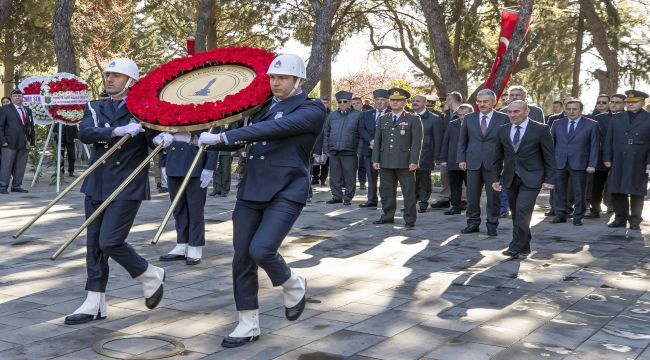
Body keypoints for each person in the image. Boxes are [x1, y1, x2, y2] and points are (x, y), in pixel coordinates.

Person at [197, 54, 326, 347]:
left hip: (286, 190)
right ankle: (247, 323)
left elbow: (271, 130)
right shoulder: (263, 107)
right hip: (251, 189)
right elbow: (244, 137)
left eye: (282, 78)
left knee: (262, 249)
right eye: (272, 78)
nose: (275, 83)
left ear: (299, 81)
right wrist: (200, 135)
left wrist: (224, 140)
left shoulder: (311, 109)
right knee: (242, 257)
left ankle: (293, 283)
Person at [64, 58, 165, 325]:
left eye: (117, 76)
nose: (110, 79)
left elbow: (154, 136)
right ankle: (94, 301)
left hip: (127, 183)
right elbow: (85, 133)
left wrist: (162, 138)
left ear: (131, 81)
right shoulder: (94, 106)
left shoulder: (142, 109)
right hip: (97, 181)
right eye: (108, 74)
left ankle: (149, 274)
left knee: (109, 241)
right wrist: (116, 131)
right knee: (93, 244)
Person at [492, 100, 555, 258]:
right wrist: (495, 178)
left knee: (522, 211)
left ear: (527, 111)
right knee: (516, 213)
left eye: (516, 112)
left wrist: (550, 179)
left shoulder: (541, 129)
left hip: (532, 177)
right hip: (510, 177)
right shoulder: (502, 130)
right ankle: (525, 246)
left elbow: (549, 156)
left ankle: (515, 246)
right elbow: (497, 157)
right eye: (510, 112)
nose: (512, 115)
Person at [155, 131, 216, 265]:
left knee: (195, 209)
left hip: (195, 162)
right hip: (173, 161)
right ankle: (182, 243)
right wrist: (163, 163)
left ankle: (195, 246)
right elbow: (164, 136)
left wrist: (209, 167)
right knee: (178, 208)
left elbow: (213, 137)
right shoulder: (172, 111)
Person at [457, 89, 509, 236]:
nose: (482, 104)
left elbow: (507, 143)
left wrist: (507, 163)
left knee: (493, 196)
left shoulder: (503, 118)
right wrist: (461, 159)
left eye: (485, 101)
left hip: (494, 163)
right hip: (472, 162)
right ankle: (472, 223)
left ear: (494, 102)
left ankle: (492, 224)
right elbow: (462, 141)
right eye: (479, 101)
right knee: (472, 196)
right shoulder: (469, 118)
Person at [372, 88, 423, 228]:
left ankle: (409, 219)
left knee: (408, 192)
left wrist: (414, 161)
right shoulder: (383, 118)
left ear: (404, 102)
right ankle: (387, 216)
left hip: (405, 163)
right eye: (393, 100)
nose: (395, 103)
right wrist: (375, 159)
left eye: (398, 100)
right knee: (386, 191)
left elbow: (416, 142)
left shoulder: (413, 118)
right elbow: (378, 140)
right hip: (386, 161)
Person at [603, 90, 650, 230]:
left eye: (634, 102)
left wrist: (649, 162)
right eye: (628, 102)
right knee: (617, 189)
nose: (630, 104)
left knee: (637, 190)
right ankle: (620, 218)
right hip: (619, 159)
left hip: (639, 160)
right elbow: (608, 140)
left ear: (643, 102)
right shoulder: (617, 118)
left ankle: (635, 220)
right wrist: (607, 157)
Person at [549, 100, 599, 226]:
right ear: (565, 110)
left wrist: (592, 164)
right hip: (559, 162)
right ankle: (560, 214)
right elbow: (550, 145)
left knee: (579, 192)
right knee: (559, 191)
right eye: (569, 109)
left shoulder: (591, 124)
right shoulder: (557, 123)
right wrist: (550, 163)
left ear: (581, 110)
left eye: (575, 109)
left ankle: (578, 216)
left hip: (580, 163)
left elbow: (594, 146)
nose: (571, 111)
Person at [586, 93, 626, 218]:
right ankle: (595, 210)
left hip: (620, 157)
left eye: (617, 102)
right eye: (612, 102)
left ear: (624, 104)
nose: (613, 104)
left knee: (618, 185)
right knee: (597, 185)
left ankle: (617, 209)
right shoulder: (599, 118)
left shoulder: (628, 118)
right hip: (601, 156)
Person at [323, 90, 363, 206]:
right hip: (334, 150)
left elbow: (361, 135)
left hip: (350, 151)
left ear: (350, 102)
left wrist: (359, 151)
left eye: (345, 101)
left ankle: (348, 197)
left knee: (350, 176)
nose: (342, 103)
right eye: (339, 101)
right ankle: (336, 196)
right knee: (334, 176)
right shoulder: (332, 115)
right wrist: (326, 149)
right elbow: (326, 133)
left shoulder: (358, 115)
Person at [411, 95, 443, 212]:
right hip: (408, 154)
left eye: (418, 101)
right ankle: (410, 203)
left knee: (424, 180)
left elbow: (438, 139)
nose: (415, 103)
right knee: (410, 180)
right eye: (413, 101)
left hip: (426, 154)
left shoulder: (434, 119)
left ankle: (423, 203)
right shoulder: (407, 116)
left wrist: (437, 156)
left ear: (425, 103)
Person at [0, 89, 35, 194]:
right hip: (9, 142)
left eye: (20, 96)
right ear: (11, 98)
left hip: (24, 142)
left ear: (22, 97)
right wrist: (2, 141)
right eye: (15, 96)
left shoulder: (27, 110)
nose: (18, 97)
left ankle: (16, 185)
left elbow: (31, 127)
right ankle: (3, 186)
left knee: (21, 165)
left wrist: (32, 141)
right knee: (6, 165)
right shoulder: (5, 109)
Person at [431, 91, 462, 209]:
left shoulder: (464, 112)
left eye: (447, 100)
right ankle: (445, 197)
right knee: (445, 174)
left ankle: (462, 199)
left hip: (459, 149)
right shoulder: (446, 114)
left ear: (451, 101)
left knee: (460, 176)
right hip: (447, 149)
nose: (446, 102)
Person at [358, 89, 389, 208]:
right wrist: (371, 141)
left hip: (386, 151)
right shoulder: (366, 114)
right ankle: (371, 200)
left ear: (387, 101)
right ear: (374, 101)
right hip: (369, 149)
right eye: (377, 100)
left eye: (382, 100)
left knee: (386, 177)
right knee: (371, 177)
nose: (380, 102)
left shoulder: (391, 114)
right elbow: (361, 129)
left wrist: (380, 143)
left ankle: (386, 200)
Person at [439, 104, 472, 215]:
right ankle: (455, 207)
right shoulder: (452, 124)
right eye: (460, 115)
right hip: (453, 160)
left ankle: (472, 208)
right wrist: (443, 158)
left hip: (470, 161)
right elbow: (445, 142)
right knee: (454, 186)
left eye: (465, 114)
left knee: (471, 186)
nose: (462, 117)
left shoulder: (475, 125)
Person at [311, 97, 331, 186]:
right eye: (322, 102)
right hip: (316, 139)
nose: (324, 104)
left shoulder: (331, 114)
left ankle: (323, 178)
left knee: (325, 163)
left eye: (326, 103)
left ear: (329, 103)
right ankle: (315, 178)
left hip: (327, 140)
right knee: (315, 161)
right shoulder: (314, 114)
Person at [210, 125, 234, 197]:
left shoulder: (230, 119)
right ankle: (216, 188)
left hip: (226, 149)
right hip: (216, 148)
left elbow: (234, 133)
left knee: (225, 170)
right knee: (216, 170)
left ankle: (225, 189)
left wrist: (234, 149)